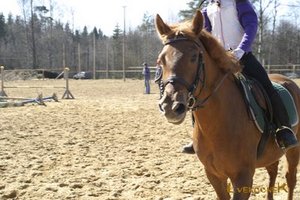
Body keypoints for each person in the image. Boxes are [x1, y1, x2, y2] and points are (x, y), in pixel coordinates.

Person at [182, 0, 299, 154]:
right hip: (218, 60)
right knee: (199, 93)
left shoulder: (240, 4)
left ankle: (283, 130)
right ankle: (198, 137)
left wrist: (240, 50)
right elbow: (206, 35)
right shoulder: (207, 10)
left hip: (243, 57)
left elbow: (251, 28)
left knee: (267, 87)